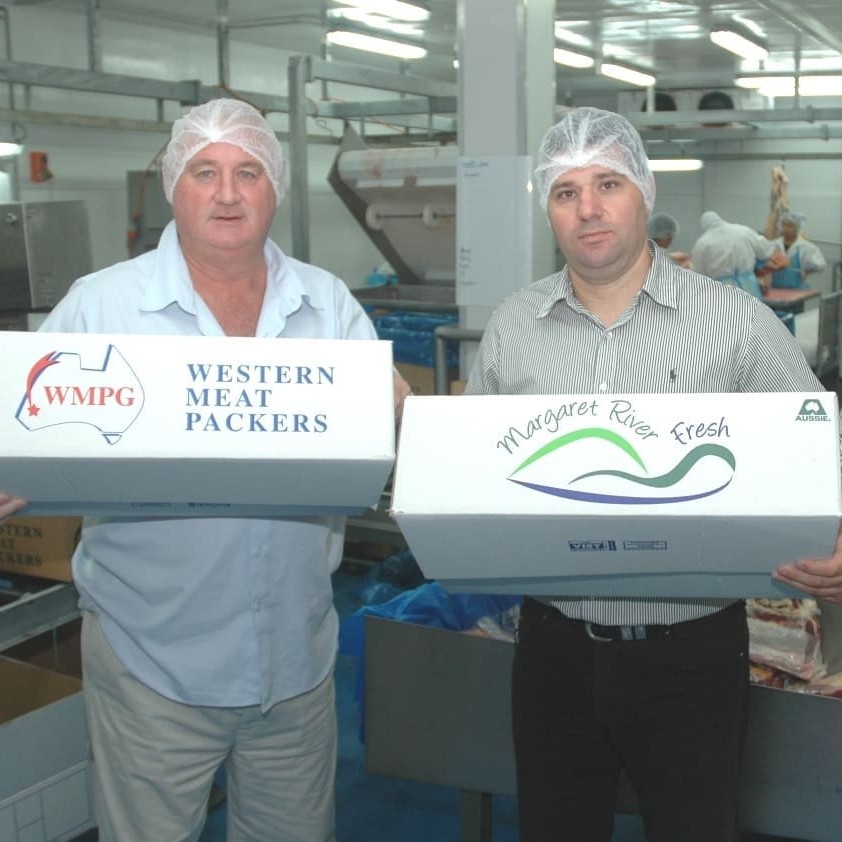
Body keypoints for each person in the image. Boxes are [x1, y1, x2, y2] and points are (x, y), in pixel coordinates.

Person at [0, 98, 410, 842]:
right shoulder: (102, 308)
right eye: (206, 172)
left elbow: (388, 432)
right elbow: (23, 423)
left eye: (248, 172)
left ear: (275, 187)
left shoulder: (329, 308)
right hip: (150, 658)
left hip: (296, 657)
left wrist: (404, 416)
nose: (227, 193)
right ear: (172, 185)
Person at [464, 105, 842, 842]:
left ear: (644, 195)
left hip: (691, 657)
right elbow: (477, 470)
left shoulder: (734, 322)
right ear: (549, 209)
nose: (589, 208)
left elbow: (822, 442)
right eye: (566, 191)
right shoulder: (513, 327)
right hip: (553, 652)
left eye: (608, 183)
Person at [690, 209, 786, 298]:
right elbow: (765, 250)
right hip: (748, 287)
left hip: (720, 293)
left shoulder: (701, 243)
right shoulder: (742, 231)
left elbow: (699, 275)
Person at [769, 210, 827, 288]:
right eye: (784, 225)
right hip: (775, 288)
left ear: (797, 228)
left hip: (796, 290)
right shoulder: (773, 244)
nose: (786, 228)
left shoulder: (806, 246)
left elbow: (821, 265)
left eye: (790, 226)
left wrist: (808, 269)